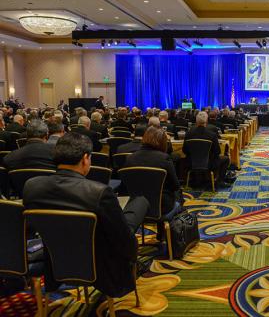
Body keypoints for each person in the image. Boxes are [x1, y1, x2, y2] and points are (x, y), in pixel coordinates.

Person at [23, 132, 149, 297]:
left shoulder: (31, 187)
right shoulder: (99, 192)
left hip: (55, 261)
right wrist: (132, 256)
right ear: (85, 158)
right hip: (99, 266)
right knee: (138, 205)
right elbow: (122, 238)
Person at [124, 127, 183, 218]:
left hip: (135, 206)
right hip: (161, 206)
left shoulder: (130, 158)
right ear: (162, 142)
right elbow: (175, 186)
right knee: (179, 194)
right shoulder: (164, 158)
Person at [183, 112, 230, 187]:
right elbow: (217, 152)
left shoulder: (188, 134)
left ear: (196, 121)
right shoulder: (212, 135)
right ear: (206, 121)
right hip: (208, 164)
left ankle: (190, 179)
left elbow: (184, 150)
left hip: (191, 163)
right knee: (226, 159)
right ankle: (219, 181)